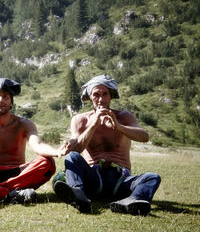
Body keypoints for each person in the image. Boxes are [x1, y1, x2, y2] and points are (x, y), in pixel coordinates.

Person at [53, 74, 161, 215]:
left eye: (105, 94)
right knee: (72, 157)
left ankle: (131, 201)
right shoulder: (80, 120)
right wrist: (93, 124)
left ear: (111, 96)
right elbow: (77, 149)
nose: (101, 99)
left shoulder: (124, 117)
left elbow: (144, 137)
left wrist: (118, 126)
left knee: (152, 177)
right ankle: (78, 196)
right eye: (96, 95)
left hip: (120, 180)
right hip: (94, 179)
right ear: (90, 98)